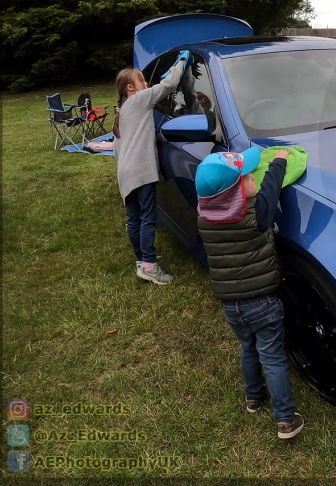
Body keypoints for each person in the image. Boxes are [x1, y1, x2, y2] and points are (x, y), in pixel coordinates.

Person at [195, 147, 305, 440]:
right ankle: (285, 419)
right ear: (236, 194)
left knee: (248, 347)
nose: (252, 178)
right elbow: (270, 188)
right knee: (273, 356)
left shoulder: (204, 219)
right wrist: (278, 161)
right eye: (246, 177)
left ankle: (253, 398)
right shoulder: (256, 214)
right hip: (263, 302)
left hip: (231, 306)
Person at [113, 54, 188, 285]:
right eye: (143, 81)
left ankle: (141, 260)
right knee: (148, 218)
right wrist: (181, 63)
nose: (146, 85)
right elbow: (169, 85)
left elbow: (116, 149)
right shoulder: (140, 100)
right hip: (140, 171)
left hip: (125, 174)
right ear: (130, 88)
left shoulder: (122, 111)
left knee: (134, 218)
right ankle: (149, 266)